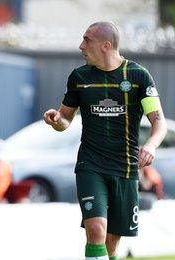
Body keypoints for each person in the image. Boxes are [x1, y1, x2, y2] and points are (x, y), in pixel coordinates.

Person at [43, 22, 166, 260]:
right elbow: (65, 120)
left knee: (111, 240)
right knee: (96, 229)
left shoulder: (138, 76)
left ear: (105, 46)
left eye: (86, 40)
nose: (81, 46)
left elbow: (158, 122)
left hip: (125, 167)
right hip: (91, 165)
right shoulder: (79, 77)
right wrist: (56, 120)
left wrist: (150, 145)